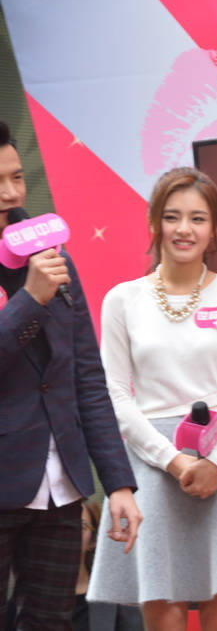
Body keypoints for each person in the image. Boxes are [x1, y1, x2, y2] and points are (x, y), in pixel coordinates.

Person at [87, 167, 217, 630]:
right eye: (172, 217)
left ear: (214, 229)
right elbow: (115, 394)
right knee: (163, 610)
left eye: (198, 218)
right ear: (154, 223)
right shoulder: (122, 300)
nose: (184, 229)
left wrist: (216, 462)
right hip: (151, 463)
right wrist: (173, 461)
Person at [0, 120, 141, 630]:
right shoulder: (40, 279)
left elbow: (85, 376)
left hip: (61, 488)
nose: (12, 194)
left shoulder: (52, 257)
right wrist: (29, 301)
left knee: (52, 621)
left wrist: (118, 483)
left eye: (17, 177)